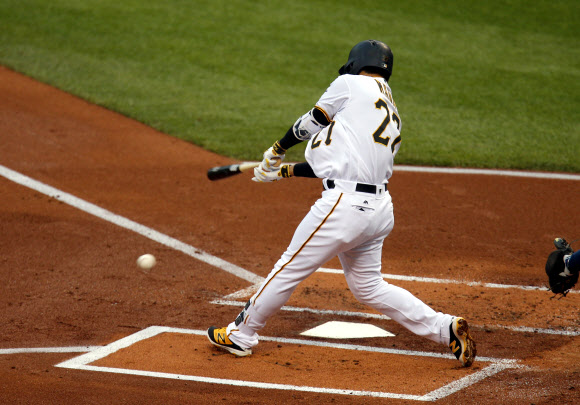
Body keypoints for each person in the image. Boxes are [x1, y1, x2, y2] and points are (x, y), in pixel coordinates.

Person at [207, 40, 476, 367]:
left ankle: (241, 333)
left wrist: (279, 146)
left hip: (345, 207)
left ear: (355, 62)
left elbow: (314, 120)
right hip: (379, 211)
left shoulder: (349, 84)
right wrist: (284, 171)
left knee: (289, 267)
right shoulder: (385, 105)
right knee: (369, 287)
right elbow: (335, 164)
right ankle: (443, 327)